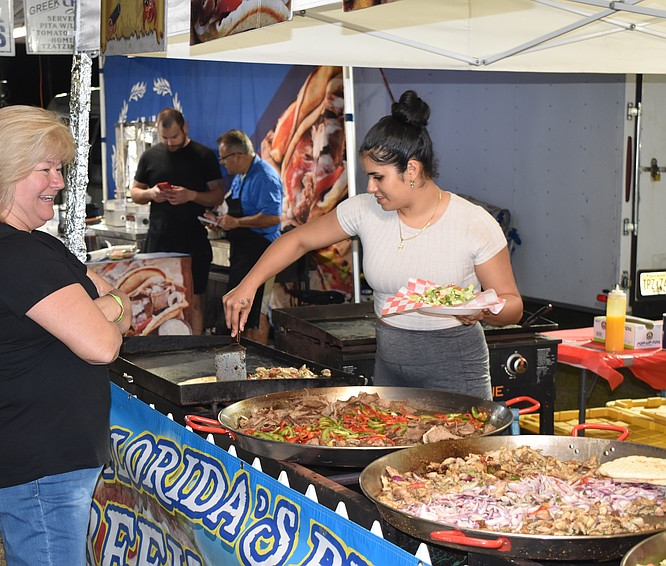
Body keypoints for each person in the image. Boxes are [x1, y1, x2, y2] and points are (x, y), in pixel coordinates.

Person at [223, 91, 523, 400]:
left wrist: (482, 312)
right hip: (390, 366)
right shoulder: (365, 210)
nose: (370, 187)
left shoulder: (472, 222)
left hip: (456, 369)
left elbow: (512, 304)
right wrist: (249, 285)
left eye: (378, 177)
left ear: (412, 171)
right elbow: (298, 240)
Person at [0, 105, 132, 565]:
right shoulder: (13, 254)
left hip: (42, 466)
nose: (59, 181)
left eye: (60, 168)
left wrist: (104, 308)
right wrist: (109, 309)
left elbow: (113, 301)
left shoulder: (25, 244)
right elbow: (103, 344)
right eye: (46, 169)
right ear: (4, 172)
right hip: (37, 470)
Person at [130, 108, 225, 335]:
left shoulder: (203, 155)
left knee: (194, 299)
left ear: (185, 128)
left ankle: (195, 351)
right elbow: (134, 193)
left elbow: (218, 195)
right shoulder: (150, 156)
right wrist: (152, 194)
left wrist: (191, 195)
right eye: (165, 138)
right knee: (154, 299)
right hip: (158, 242)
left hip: (192, 241)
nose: (170, 143)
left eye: (175, 137)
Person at [205, 129, 282, 344]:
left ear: (237, 155)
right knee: (240, 307)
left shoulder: (265, 176)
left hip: (263, 250)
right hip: (243, 251)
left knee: (256, 311)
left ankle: (261, 360)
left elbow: (273, 218)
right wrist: (221, 222)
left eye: (224, 159)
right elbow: (237, 210)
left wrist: (237, 222)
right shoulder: (240, 177)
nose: (223, 164)